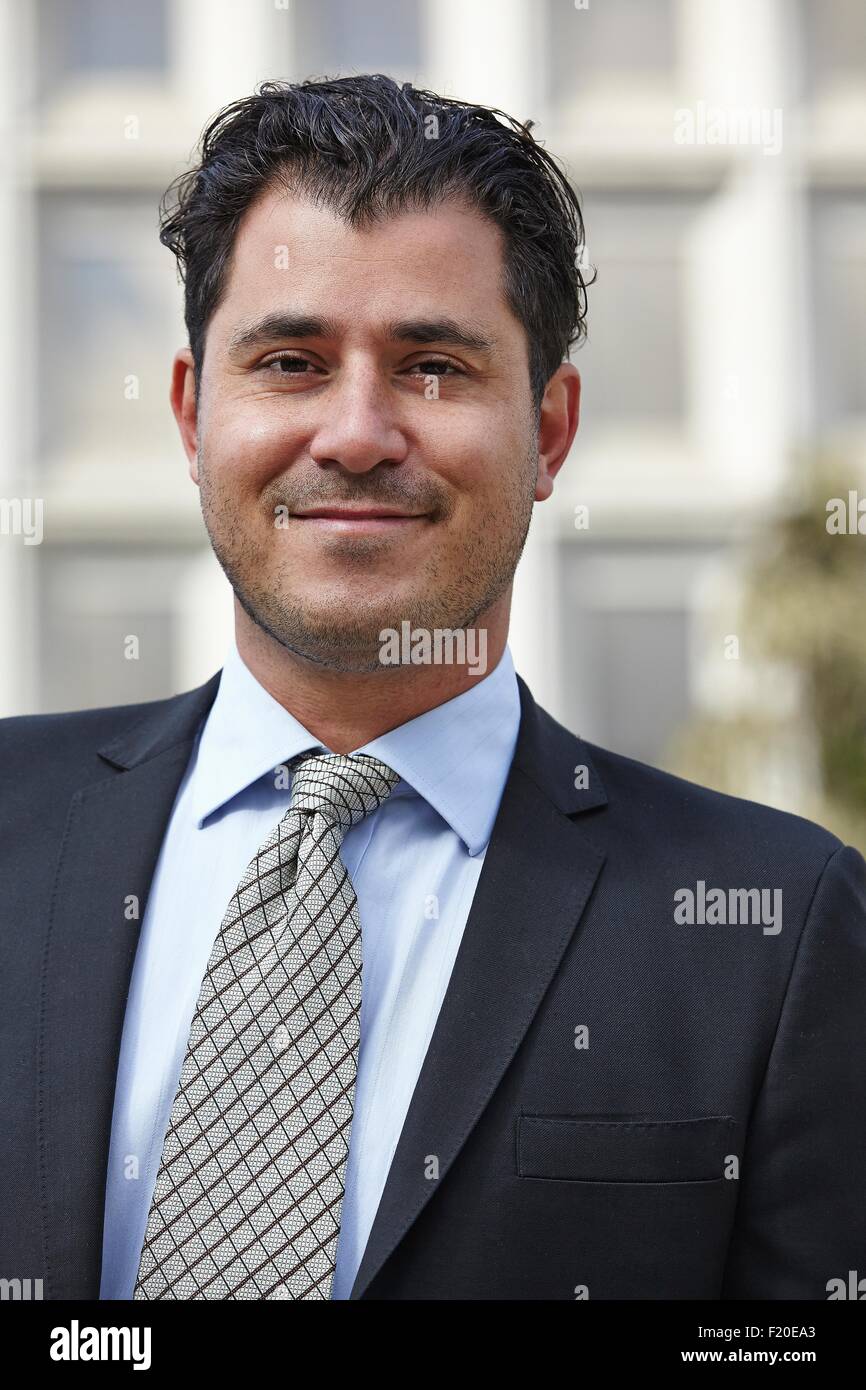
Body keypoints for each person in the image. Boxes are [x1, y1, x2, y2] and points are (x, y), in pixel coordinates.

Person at [1, 74, 863, 1302]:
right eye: (291, 359)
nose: (355, 434)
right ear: (192, 417)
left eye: (434, 367)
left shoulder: (776, 927)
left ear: (549, 432)